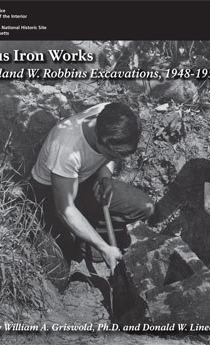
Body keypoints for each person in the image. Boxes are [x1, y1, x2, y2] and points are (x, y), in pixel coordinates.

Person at [28, 102, 154, 288]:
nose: (116, 159)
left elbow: (106, 157)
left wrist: (105, 177)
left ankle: (87, 237)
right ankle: (82, 239)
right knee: (59, 278)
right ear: (98, 138)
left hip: (84, 181)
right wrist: (104, 247)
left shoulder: (110, 115)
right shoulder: (66, 148)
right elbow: (65, 209)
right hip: (49, 195)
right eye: (113, 154)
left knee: (145, 207)